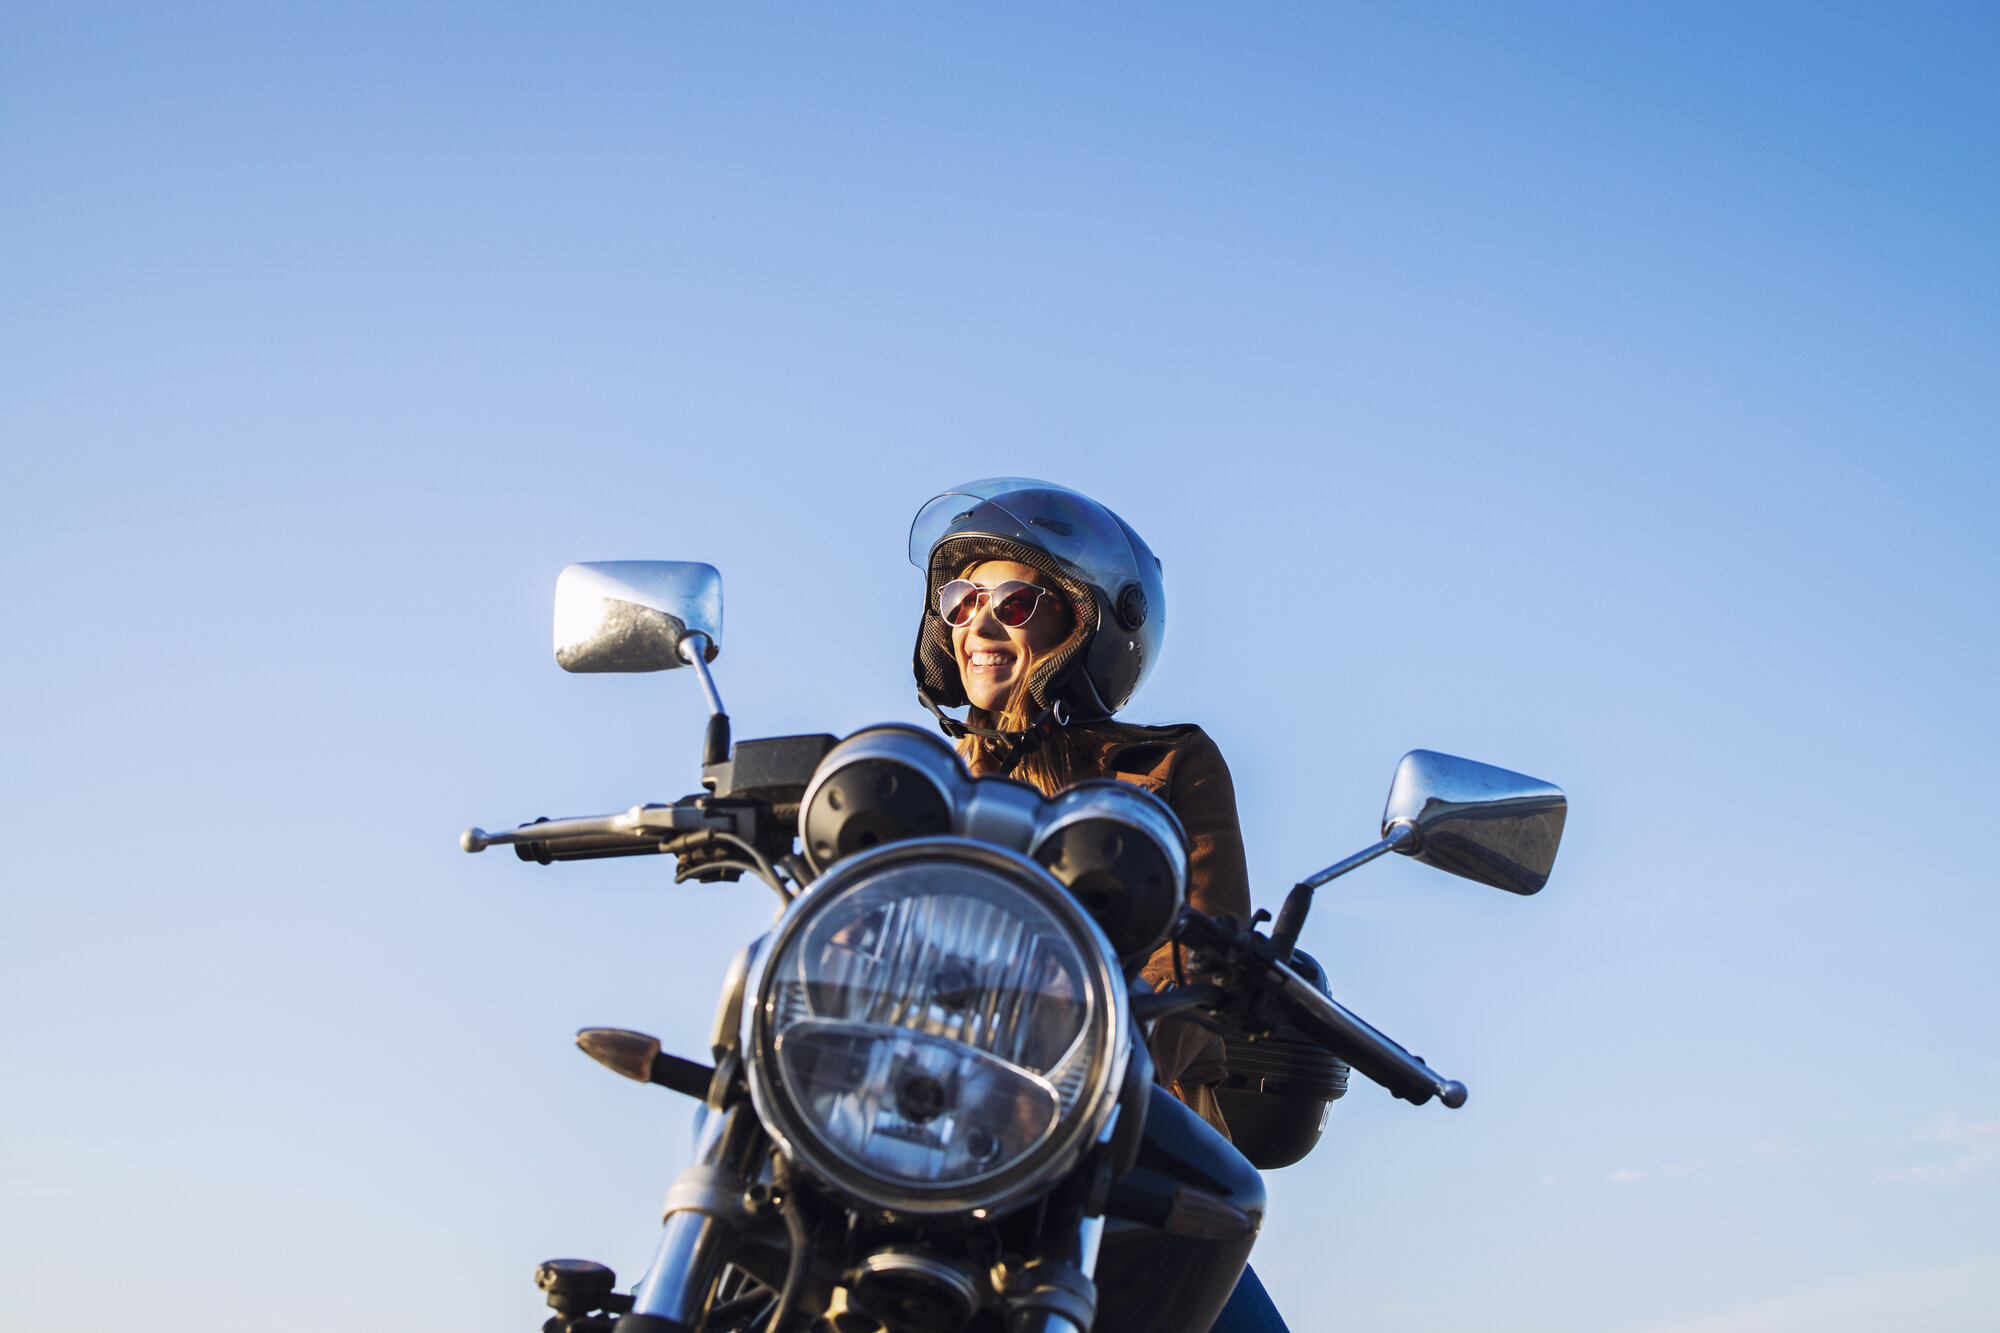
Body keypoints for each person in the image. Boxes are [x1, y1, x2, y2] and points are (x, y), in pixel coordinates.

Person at [909, 478, 1290, 1333]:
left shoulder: (1163, 766)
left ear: (1086, 622)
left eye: (1014, 600)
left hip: (1110, 1137)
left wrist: (1124, 1038)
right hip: (916, 1117)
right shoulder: (913, 788)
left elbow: (1199, 945)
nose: (978, 622)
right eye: (961, 600)